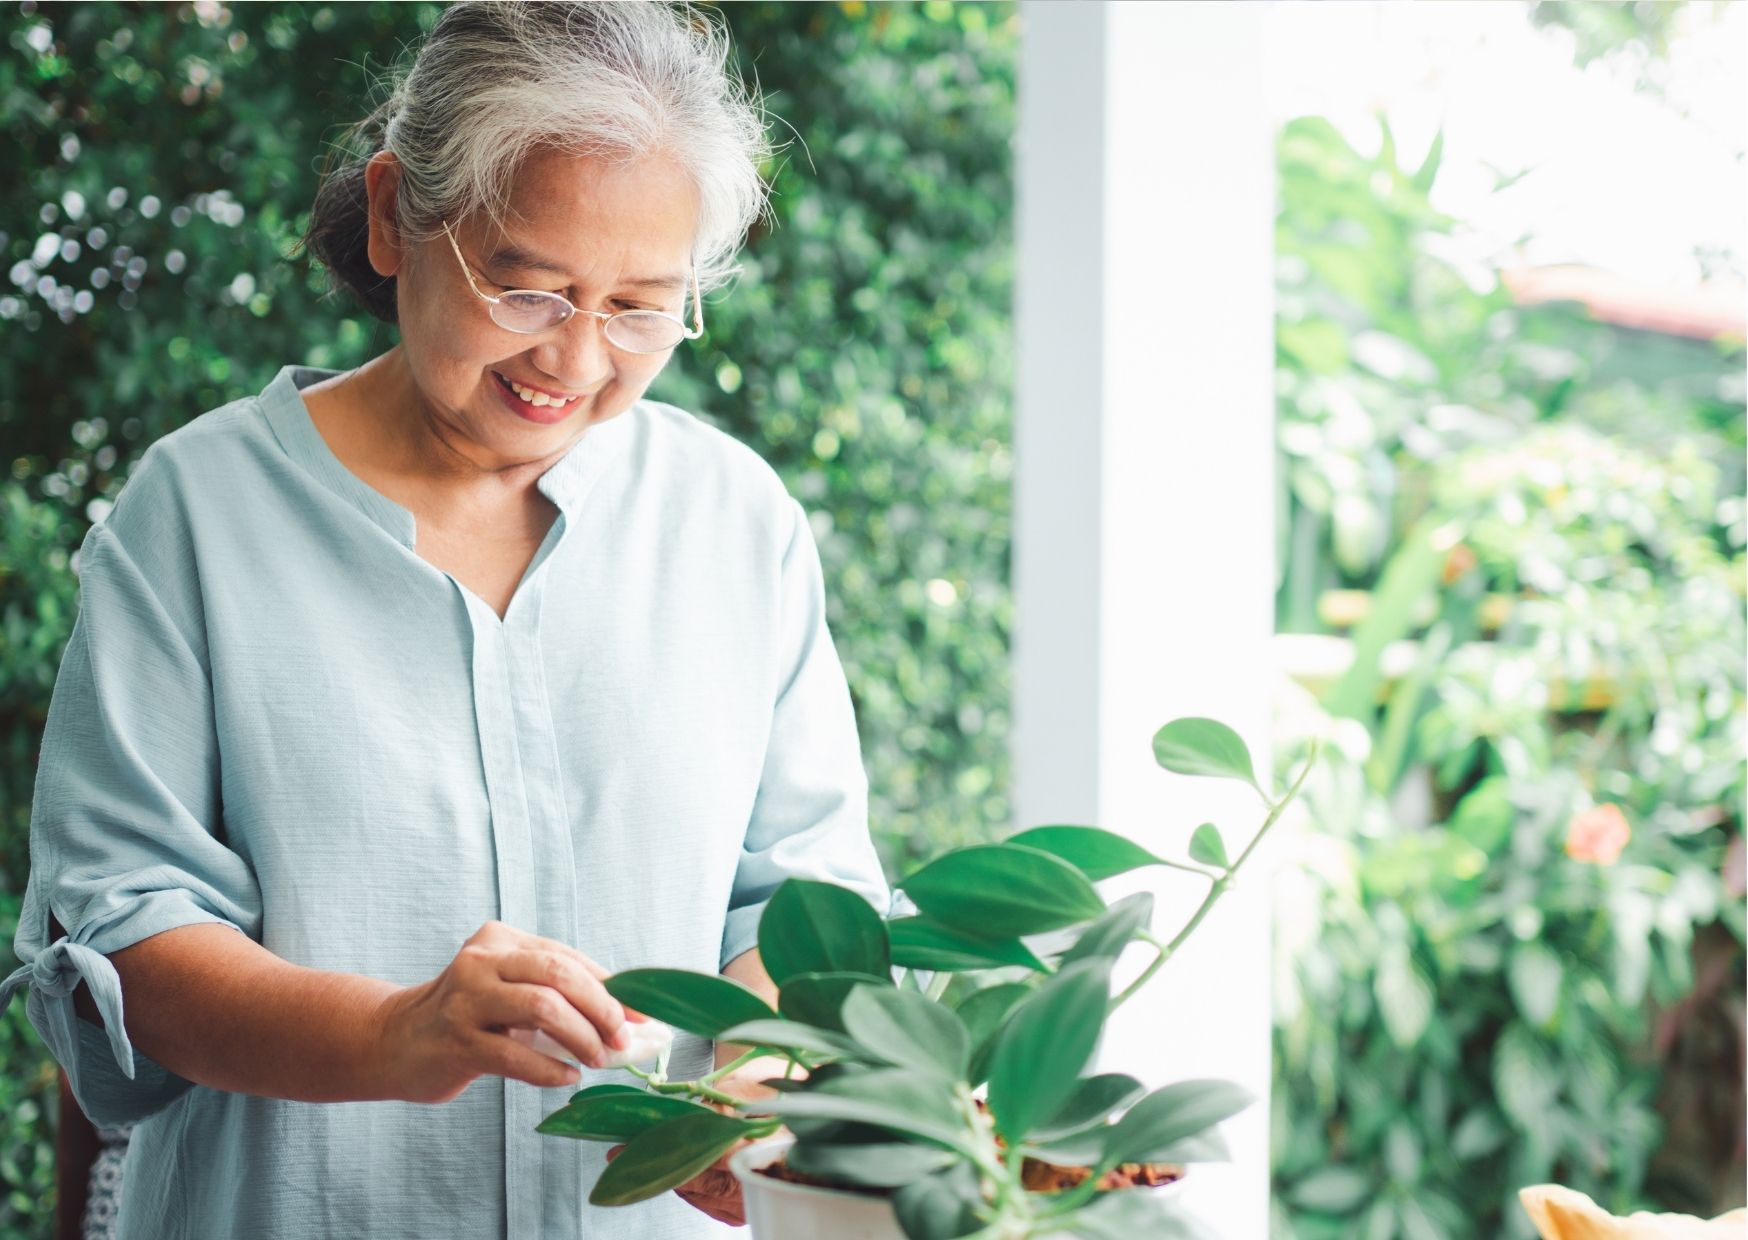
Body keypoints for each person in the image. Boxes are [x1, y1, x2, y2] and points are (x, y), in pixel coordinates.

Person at [0, 3, 892, 1236]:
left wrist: (745, 1079)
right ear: (392, 216)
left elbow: (804, 902)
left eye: (640, 307)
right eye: (527, 290)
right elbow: (124, 943)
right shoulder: (197, 516)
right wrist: (395, 1032)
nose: (576, 361)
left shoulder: (733, 521)